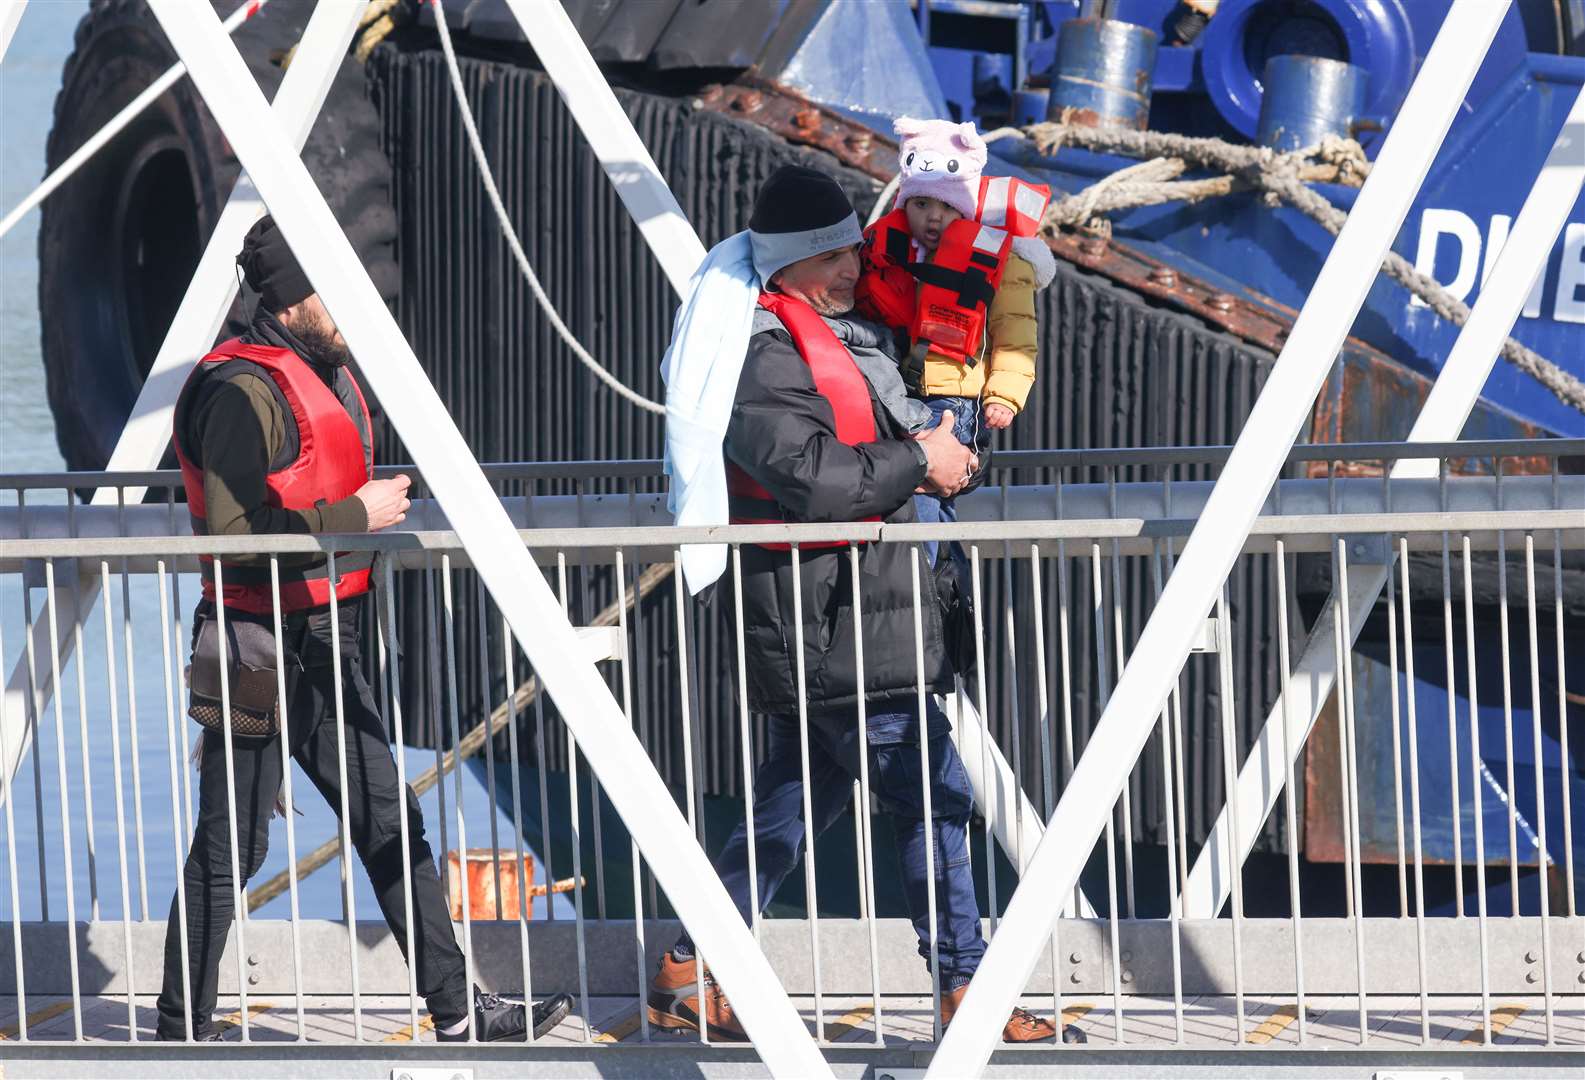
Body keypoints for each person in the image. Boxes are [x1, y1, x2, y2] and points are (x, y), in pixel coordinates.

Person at [648, 165, 1068, 1044]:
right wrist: (924, 463)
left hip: (841, 616)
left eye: (852, 250)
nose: (853, 267)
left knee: (788, 809)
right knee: (935, 798)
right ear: (792, 264)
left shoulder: (820, 336)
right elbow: (808, 477)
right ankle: (967, 994)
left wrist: (944, 441)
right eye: (835, 255)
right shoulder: (764, 356)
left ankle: (688, 966)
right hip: (834, 620)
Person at [156, 215, 572, 1043]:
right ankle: (182, 1026)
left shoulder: (322, 367)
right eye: (335, 293)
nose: (357, 308)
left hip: (325, 641)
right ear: (288, 298)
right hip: (245, 648)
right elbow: (235, 539)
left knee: (388, 819)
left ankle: (459, 1014)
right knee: (231, 843)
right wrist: (356, 513)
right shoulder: (242, 390)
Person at [857, 117, 1056, 562]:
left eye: (944, 207)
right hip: (898, 391)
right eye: (920, 203)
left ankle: (923, 575)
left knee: (925, 492)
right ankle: (942, 576)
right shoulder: (887, 249)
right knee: (928, 499)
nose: (932, 216)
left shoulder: (998, 259)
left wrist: (1005, 394)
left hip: (954, 398)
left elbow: (1016, 332)